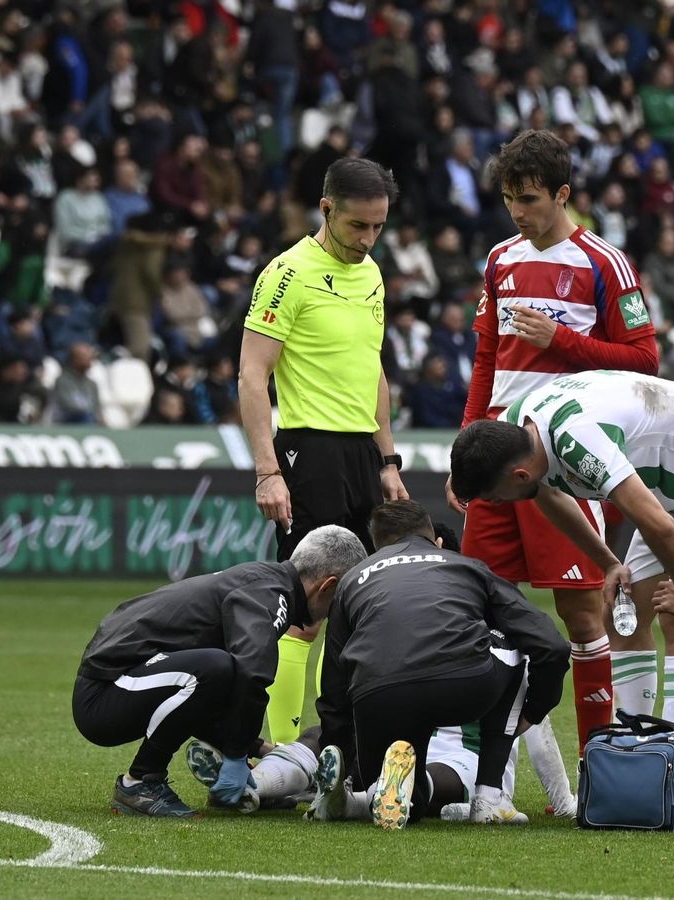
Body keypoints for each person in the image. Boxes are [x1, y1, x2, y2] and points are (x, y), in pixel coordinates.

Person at [449, 129, 659, 761]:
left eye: (531, 199)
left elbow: (644, 360)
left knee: (583, 618)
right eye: (510, 198)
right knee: (477, 614)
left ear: (563, 194)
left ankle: (598, 766)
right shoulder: (500, 259)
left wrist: (560, 342)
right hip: (494, 461)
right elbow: (487, 352)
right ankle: (481, 776)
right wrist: (469, 439)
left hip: (559, 461)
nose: (518, 211)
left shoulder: (604, 263)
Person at [450, 369, 674, 733]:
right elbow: (549, 496)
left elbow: (658, 526)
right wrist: (609, 563)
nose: (498, 504)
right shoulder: (513, 430)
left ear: (519, 475)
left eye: (495, 497)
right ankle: (637, 744)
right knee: (623, 613)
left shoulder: (578, 441)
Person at [238, 157, 411, 751]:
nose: (367, 240)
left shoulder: (372, 275)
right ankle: (284, 750)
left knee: (363, 606)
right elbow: (251, 376)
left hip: (363, 454)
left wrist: (388, 461)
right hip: (307, 452)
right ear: (327, 209)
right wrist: (268, 470)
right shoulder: (286, 275)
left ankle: (338, 743)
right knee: (306, 612)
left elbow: (374, 371)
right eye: (357, 226)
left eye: (378, 229)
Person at [71, 525, 366, 818]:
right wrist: (237, 754)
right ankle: (141, 782)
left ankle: (255, 779)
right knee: (219, 667)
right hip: (103, 695)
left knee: (223, 670)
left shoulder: (267, 582)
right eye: (339, 601)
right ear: (327, 586)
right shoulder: (270, 594)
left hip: (125, 679)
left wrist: (255, 748)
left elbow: (220, 684)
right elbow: (251, 673)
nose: (333, 613)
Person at [310, 501, 570, 828]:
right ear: (436, 541)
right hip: (459, 686)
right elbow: (551, 645)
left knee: (409, 801)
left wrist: (343, 757)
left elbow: (333, 686)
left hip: (377, 698)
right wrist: (534, 711)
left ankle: (350, 797)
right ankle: (490, 799)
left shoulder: (353, 580)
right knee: (512, 641)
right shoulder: (465, 566)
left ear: (376, 546)